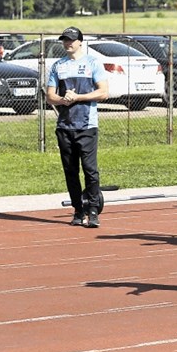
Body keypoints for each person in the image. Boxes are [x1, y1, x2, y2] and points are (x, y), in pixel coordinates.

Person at [46, 27, 109, 227]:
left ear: (80, 41)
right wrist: (62, 100)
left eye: (71, 40)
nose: (68, 43)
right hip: (65, 126)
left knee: (90, 170)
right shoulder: (58, 66)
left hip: (87, 126)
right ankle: (78, 209)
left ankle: (93, 210)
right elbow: (50, 96)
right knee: (70, 170)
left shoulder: (92, 63)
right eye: (65, 40)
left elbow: (103, 92)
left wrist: (79, 97)